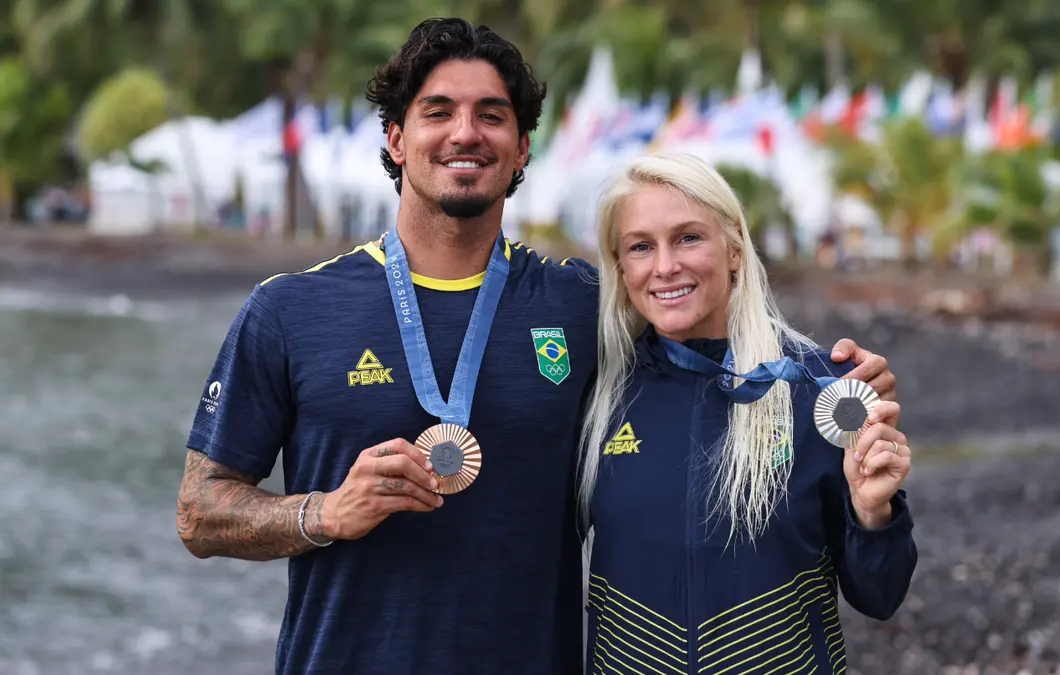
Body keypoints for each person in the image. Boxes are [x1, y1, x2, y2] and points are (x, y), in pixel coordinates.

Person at [175, 18, 899, 675]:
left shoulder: (581, 304)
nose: (466, 132)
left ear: (521, 148)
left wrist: (836, 383)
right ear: (396, 139)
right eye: (438, 112)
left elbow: (700, 312)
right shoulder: (290, 310)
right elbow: (200, 512)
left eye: (492, 115)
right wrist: (323, 512)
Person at [577, 152, 917, 674]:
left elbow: (880, 595)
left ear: (734, 246)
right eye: (641, 246)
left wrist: (875, 514)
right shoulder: (597, 395)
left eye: (689, 237)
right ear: (620, 268)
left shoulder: (820, 387)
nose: (665, 265)